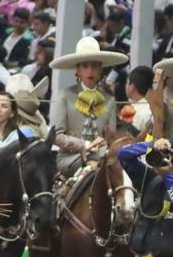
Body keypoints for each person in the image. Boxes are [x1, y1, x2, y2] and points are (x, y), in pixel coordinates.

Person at [49, 37, 130, 175]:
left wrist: (103, 145)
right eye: (85, 66)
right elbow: (55, 136)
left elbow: (110, 136)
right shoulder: (65, 95)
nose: (90, 71)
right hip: (71, 158)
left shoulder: (109, 99)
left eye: (95, 66)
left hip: (101, 156)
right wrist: (84, 145)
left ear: (101, 70)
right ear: (78, 70)